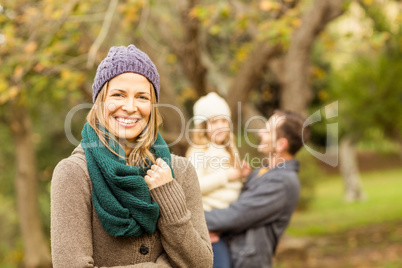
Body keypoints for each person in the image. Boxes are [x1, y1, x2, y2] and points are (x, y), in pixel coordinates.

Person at [51, 44, 213, 267]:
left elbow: (202, 263)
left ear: (153, 105)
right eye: (118, 94)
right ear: (100, 101)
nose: (130, 107)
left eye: (142, 97)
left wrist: (167, 194)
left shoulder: (180, 171)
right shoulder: (74, 173)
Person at [204, 110, 310, 268]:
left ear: (281, 144)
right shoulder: (264, 171)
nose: (260, 133)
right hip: (231, 255)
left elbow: (236, 215)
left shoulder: (283, 182)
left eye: (267, 131)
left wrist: (192, 221)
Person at [186, 92, 251, 268]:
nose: (221, 126)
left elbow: (231, 187)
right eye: (214, 122)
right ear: (202, 126)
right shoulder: (199, 151)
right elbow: (193, 187)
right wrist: (226, 176)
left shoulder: (229, 150)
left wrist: (241, 175)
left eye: (224, 121)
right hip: (207, 222)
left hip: (226, 223)